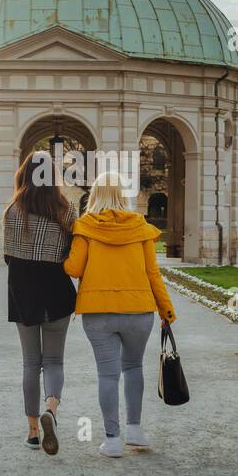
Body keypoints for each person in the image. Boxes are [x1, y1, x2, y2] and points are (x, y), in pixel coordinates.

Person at [64, 170, 177, 458]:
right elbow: (153, 273)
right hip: (138, 310)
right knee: (134, 367)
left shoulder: (85, 226)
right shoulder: (140, 228)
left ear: (95, 195)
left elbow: (74, 269)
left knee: (108, 374)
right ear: (122, 196)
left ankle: (112, 439)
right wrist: (166, 309)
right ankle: (135, 429)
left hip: (98, 311)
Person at [4, 151, 77, 455]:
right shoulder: (67, 210)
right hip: (57, 291)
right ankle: (51, 409)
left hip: (24, 291)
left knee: (30, 363)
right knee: (55, 361)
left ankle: (34, 430)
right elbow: (72, 258)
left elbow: (8, 256)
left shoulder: (12, 211)